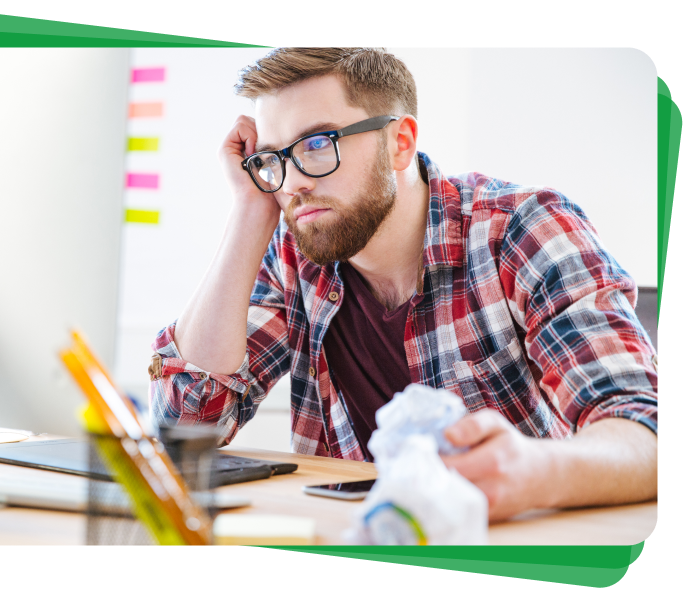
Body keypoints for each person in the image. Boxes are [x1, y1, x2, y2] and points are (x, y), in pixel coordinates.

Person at [147, 47, 658, 521]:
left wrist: (537, 472)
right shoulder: (293, 254)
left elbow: (644, 433)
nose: (294, 182)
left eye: (318, 144)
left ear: (400, 143)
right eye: (274, 159)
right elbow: (185, 426)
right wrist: (249, 211)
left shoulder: (522, 229)